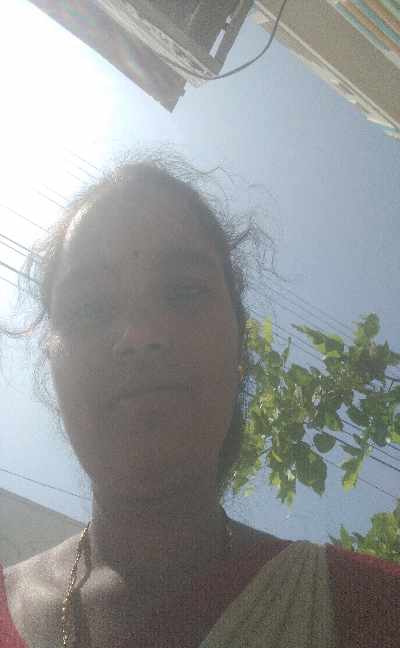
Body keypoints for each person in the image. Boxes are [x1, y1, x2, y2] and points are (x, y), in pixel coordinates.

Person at [0, 154, 399, 648]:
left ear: (240, 347)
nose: (139, 335)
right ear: (50, 360)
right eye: (89, 307)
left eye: (184, 291)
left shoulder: (374, 608)